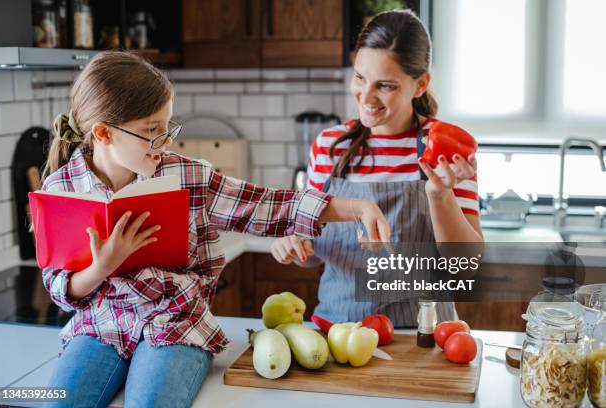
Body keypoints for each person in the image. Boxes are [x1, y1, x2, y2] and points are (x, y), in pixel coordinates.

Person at [40, 51, 390, 408]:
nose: (166, 143)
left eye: (167, 128)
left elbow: (266, 205)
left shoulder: (188, 176)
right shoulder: (61, 190)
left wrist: (354, 208)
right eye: (151, 132)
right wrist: (102, 266)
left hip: (176, 323)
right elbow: (59, 289)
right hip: (99, 326)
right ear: (103, 133)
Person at [270, 9, 484, 326]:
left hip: (421, 337)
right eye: (359, 78)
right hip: (339, 331)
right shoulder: (330, 146)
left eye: (385, 85)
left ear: (421, 84)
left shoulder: (445, 148)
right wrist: (294, 246)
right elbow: (313, 250)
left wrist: (439, 195)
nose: (366, 96)